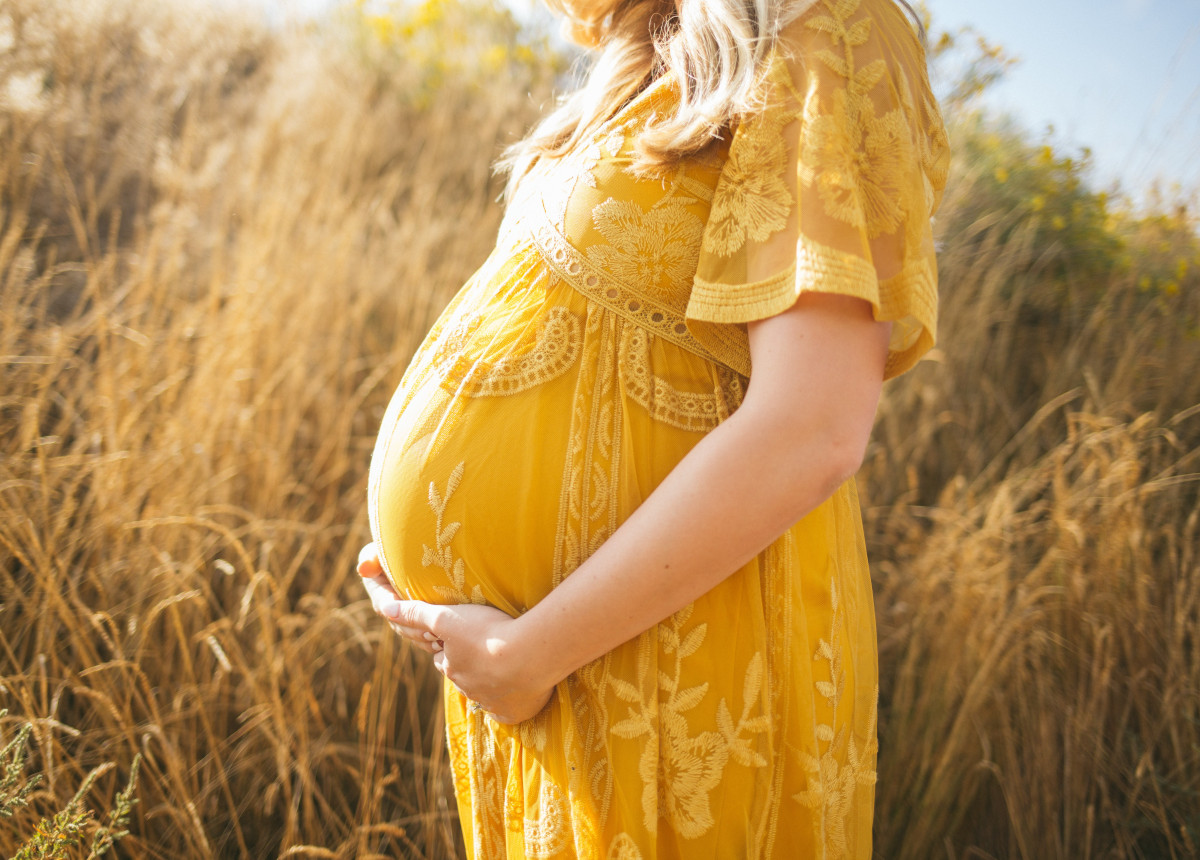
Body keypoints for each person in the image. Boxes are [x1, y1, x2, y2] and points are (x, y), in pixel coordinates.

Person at [357, 0, 949, 854]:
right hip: (555, 669)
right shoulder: (645, 55)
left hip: (678, 667)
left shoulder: (834, 31)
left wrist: (529, 655)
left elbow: (812, 426)